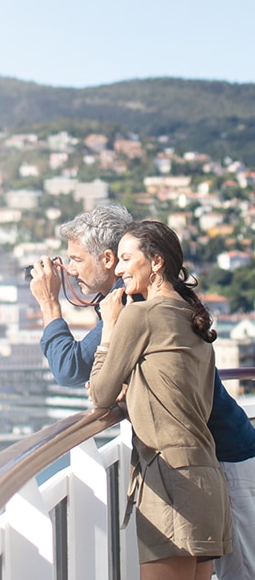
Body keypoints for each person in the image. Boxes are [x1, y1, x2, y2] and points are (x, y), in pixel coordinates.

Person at [27, 204, 255, 580]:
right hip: (210, 465)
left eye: (74, 259)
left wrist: (52, 306)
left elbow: (83, 378)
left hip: (193, 467)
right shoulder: (179, 307)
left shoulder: (136, 308)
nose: (68, 269)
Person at [89, 220, 231, 578]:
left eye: (124, 258)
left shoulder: (141, 314)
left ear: (155, 262)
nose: (117, 269)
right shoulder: (192, 316)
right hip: (205, 475)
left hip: (170, 479)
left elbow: (100, 394)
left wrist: (110, 327)